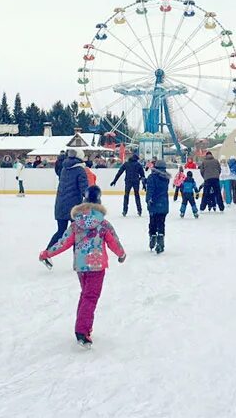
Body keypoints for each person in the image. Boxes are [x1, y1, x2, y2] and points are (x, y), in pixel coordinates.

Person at [39, 186, 126, 349]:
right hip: (97, 265)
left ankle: (84, 326)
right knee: (90, 297)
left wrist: (47, 253)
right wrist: (121, 254)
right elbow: (114, 241)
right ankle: (82, 331)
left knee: (86, 295)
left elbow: (62, 243)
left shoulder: (75, 224)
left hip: (80, 266)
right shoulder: (104, 224)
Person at [43, 148, 89, 269]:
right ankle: (78, 261)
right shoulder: (80, 170)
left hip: (60, 205)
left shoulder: (64, 168)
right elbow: (84, 189)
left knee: (61, 231)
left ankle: (46, 253)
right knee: (77, 233)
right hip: (74, 208)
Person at [145, 160, 171, 254]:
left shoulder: (152, 177)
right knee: (161, 222)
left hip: (154, 203)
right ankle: (160, 240)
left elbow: (150, 189)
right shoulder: (166, 178)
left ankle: (153, 237)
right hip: (164, 203)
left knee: (153, 222)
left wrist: (148, 199)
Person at [110, 151, 145, 217]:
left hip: (128, 181)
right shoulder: (138, 164)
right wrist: (144, 185)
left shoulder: (126, 164)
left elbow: (119, 172)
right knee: (137, 195)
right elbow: (143, 175)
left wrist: (114, 180)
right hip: (136, 182)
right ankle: (139, 210)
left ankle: (124, 210)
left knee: (126, 196)